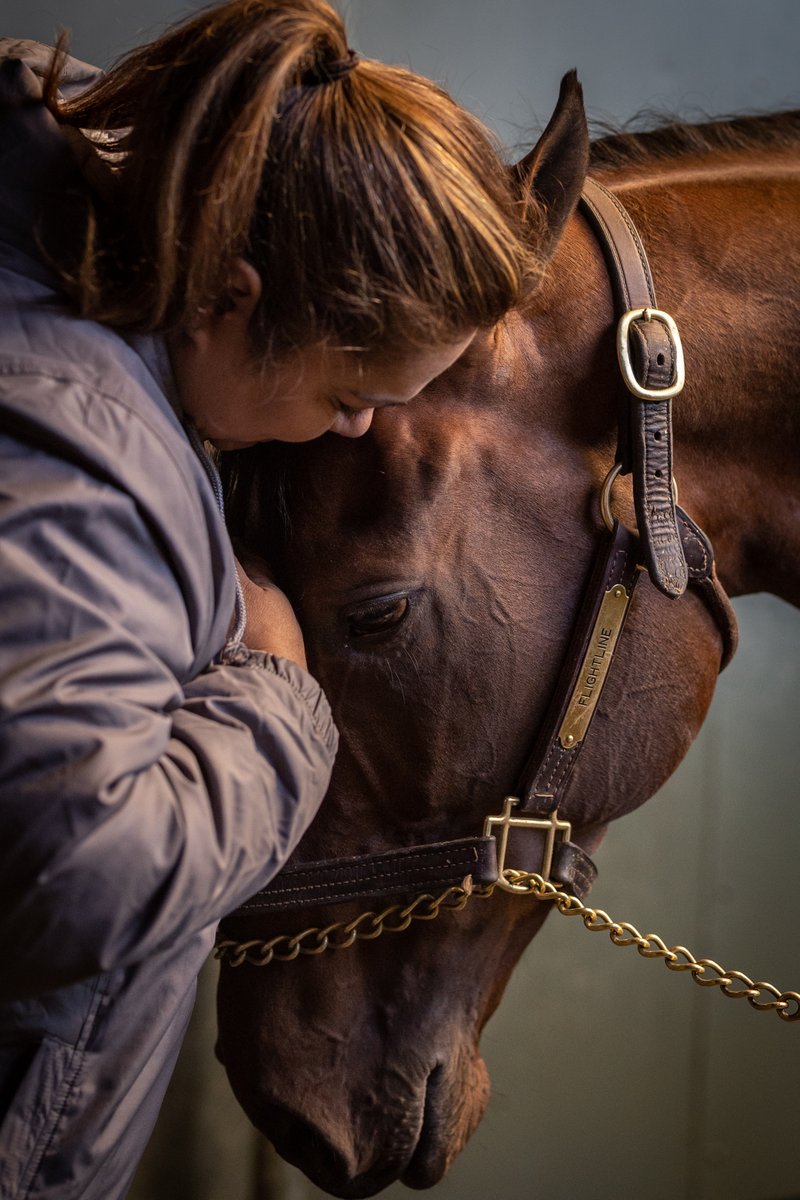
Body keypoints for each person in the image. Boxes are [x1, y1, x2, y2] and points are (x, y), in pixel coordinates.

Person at [0, 2, 539, 1196]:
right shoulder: (73, 455)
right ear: (230, 299)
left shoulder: (73, 290)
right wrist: (274, 698)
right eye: (351, 389)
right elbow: (73, 877)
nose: (351, 427)